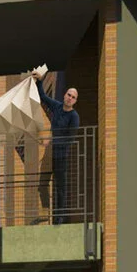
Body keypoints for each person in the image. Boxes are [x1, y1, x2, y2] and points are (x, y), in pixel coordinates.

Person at [35, 70, 84, 223]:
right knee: (43, 185)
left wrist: (51, 141)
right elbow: (43, 97)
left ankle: (59, 218)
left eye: (73, 97)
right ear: (64, 95)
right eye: (69, 95)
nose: (70, 98)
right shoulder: (57, 107)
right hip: (51, 155)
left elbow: (70, 139)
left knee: (60, 187)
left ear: (75, 101)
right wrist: (39, 81)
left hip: (62, 156)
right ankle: (47, 214)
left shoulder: (74, 117)